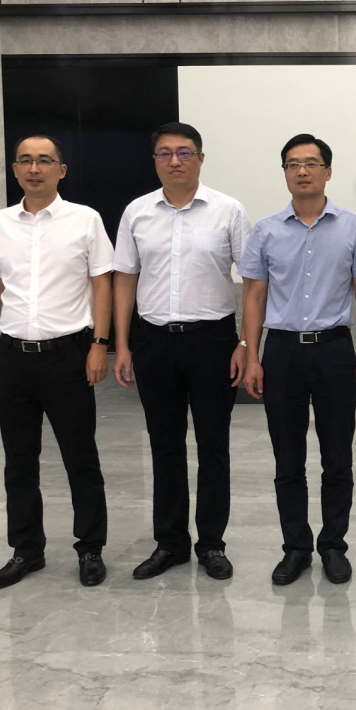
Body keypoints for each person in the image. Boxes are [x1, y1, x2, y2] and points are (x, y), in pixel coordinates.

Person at [0, 134, 114, 589]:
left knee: (80, 457)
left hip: (68, 355)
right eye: (26, 161)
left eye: (44, 160)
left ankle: (90, 548)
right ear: (15, 170)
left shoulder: (85, 220)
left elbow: (102, 284)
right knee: (19, 461)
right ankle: (26, 550)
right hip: (13, 356)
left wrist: (99, 344)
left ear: (61, 170)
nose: (34, 168)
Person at [112, 122, 249, 582]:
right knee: (164, 444)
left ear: (201, 158)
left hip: (213, 341)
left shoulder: (228, 210)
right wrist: (121, 344)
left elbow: (254, 281)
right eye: (165, 153)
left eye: (185, 152)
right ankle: (170, 543)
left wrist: (245, 344)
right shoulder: (136, 212)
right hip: (153, 341)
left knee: (213, 446)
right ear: (154, 160)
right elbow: (124, 278)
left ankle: (211, 543)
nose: (175, 161)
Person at [239, 134, 356, 586]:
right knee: (288, 458)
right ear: (284, 172)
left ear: (328, 172)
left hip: (335, 350)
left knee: (337, 457)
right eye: (293, 164)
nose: (302, 171)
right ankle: (296, 548)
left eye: (312, 163)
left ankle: (333, 545)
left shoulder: (353, 226)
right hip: (281, 352)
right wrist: (252, 355)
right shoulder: (266, 230)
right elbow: (254, 296)